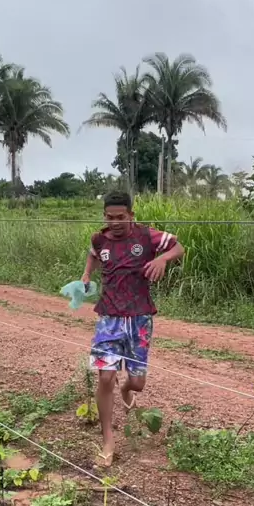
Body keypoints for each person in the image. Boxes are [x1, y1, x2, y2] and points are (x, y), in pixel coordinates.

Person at [82, 189, 185, 466]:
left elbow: (178, 247)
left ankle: (126, 389)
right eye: (109, 217)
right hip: (109, 317)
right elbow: (93, 254)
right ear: (104, 216)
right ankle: (108, 440)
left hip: (139, 319)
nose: (115, 222)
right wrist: (86, 274)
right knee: (105, 377)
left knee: (138, 383)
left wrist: (162, 259)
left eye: (120, 217)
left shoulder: (146, 236)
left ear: (131, 215)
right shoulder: (99, 238)